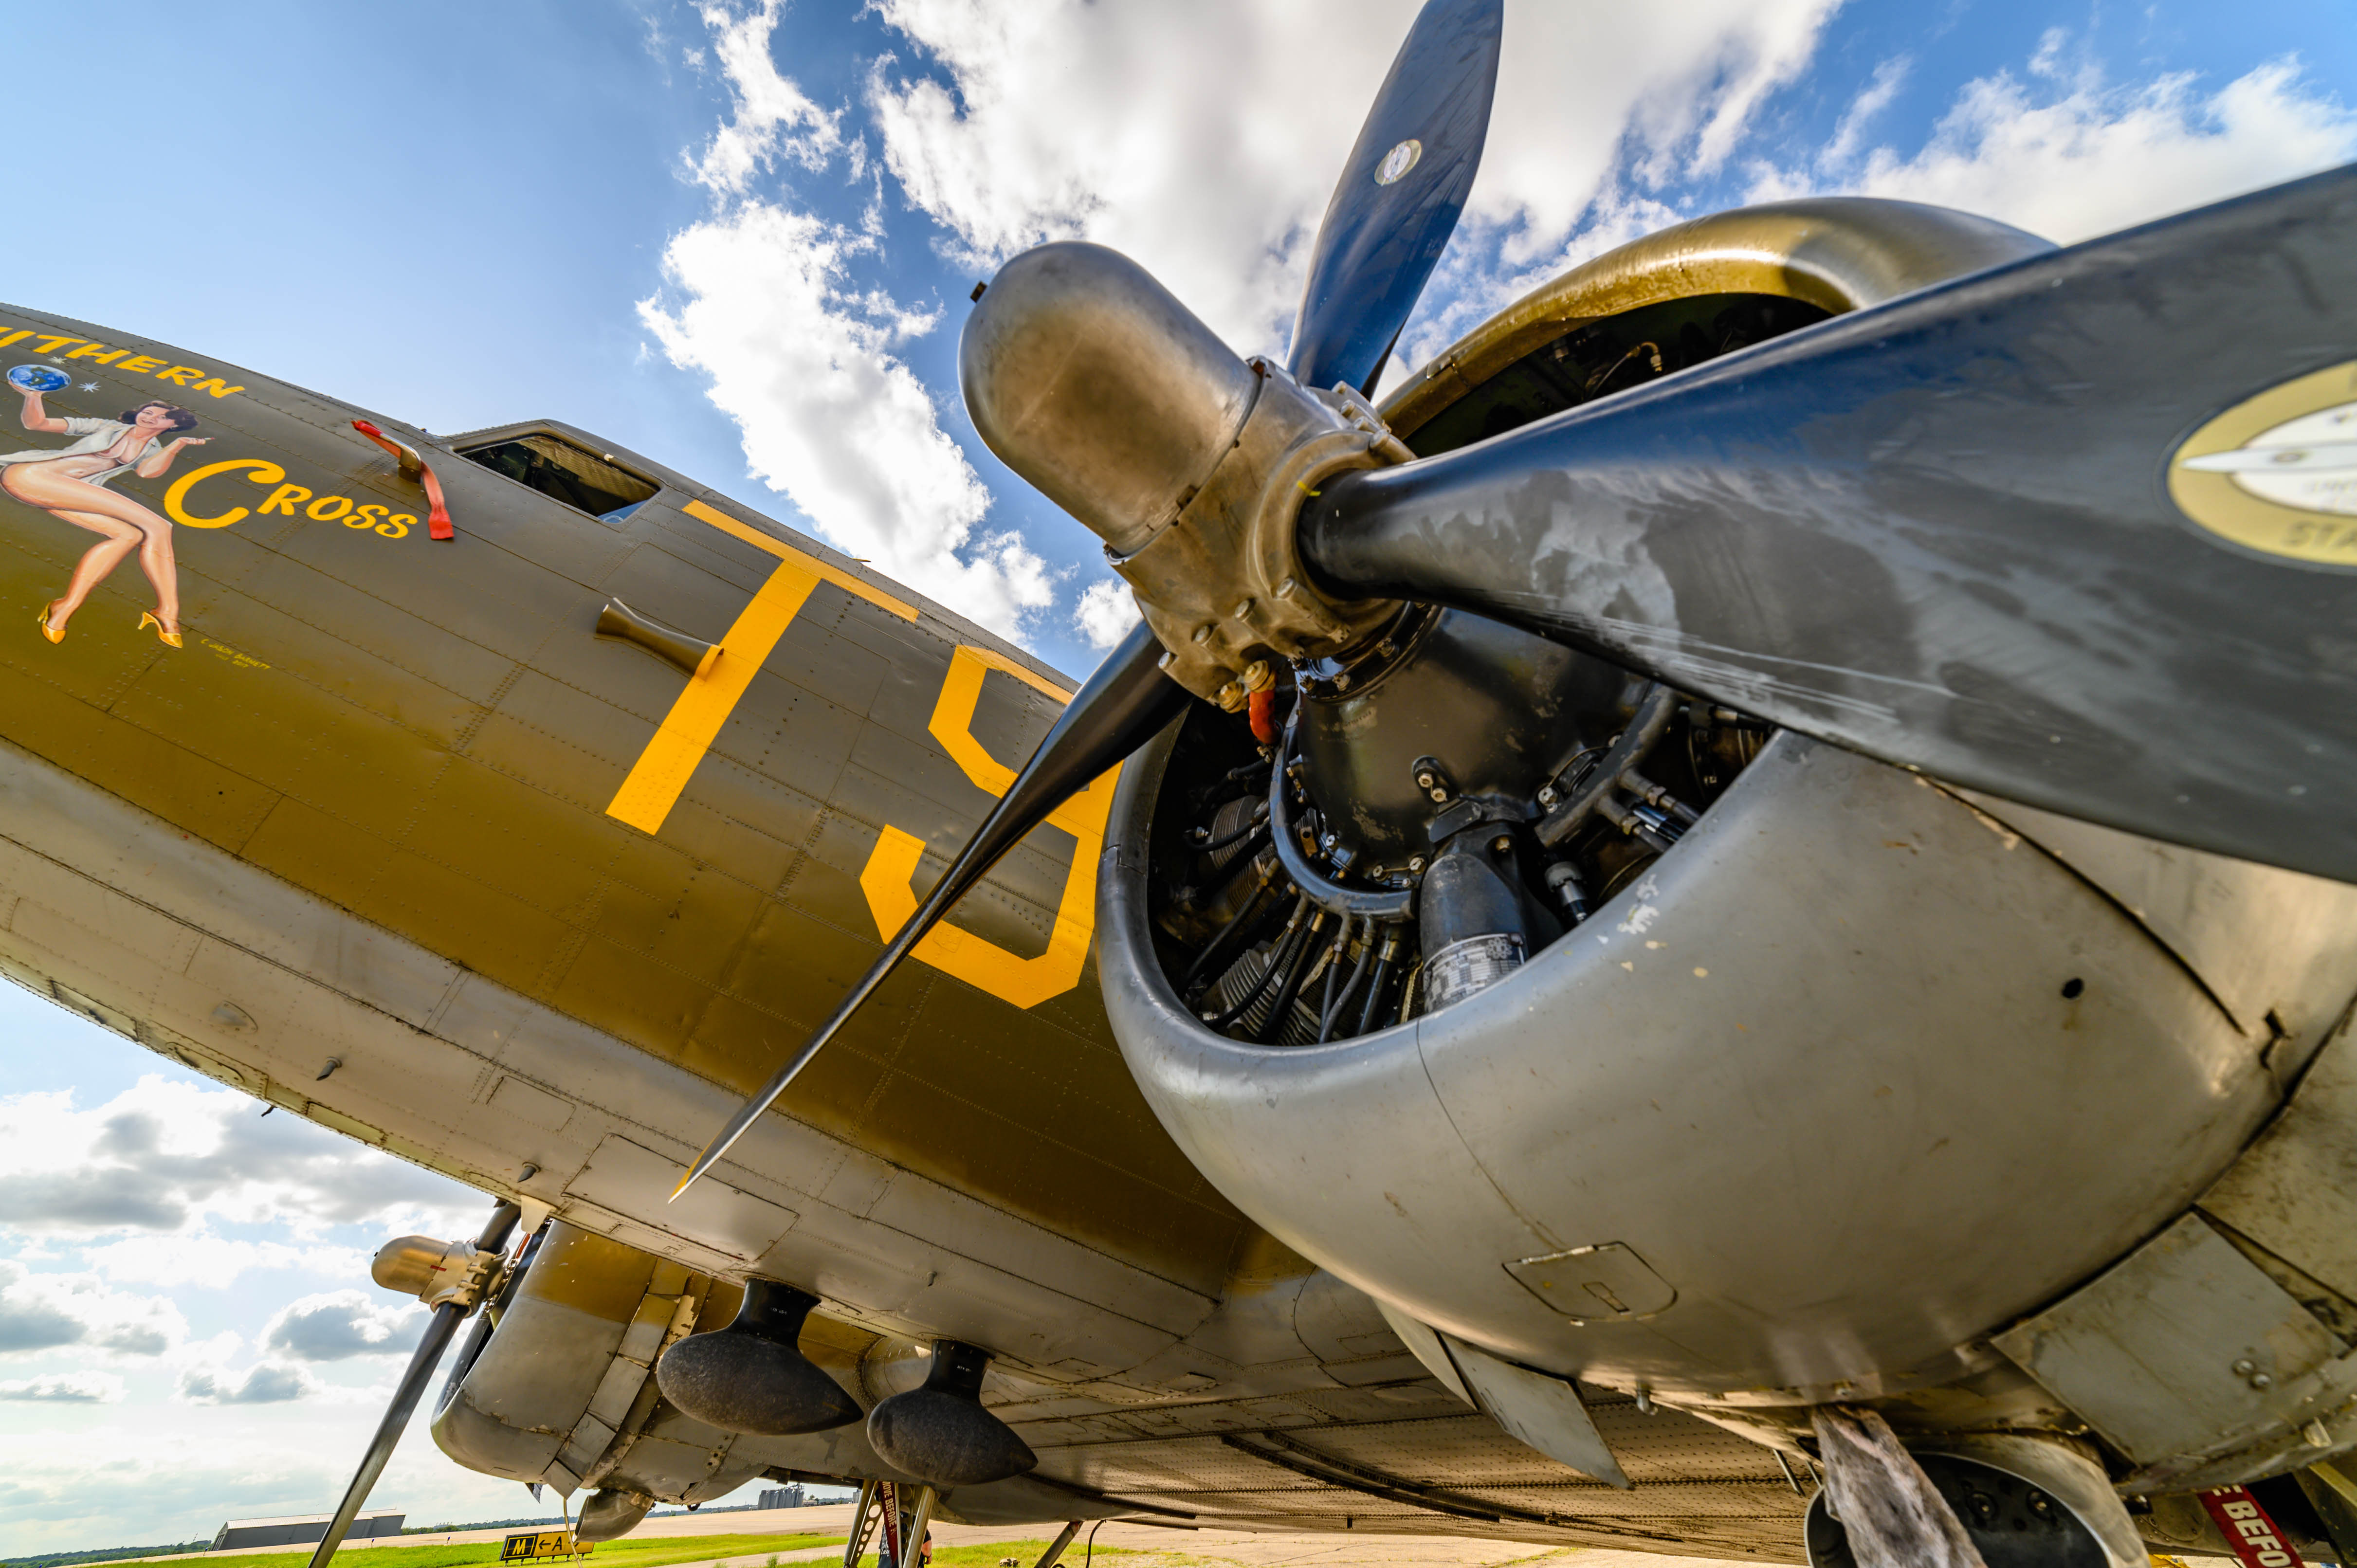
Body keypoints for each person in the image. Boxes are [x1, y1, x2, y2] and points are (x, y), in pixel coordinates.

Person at [0, 384, 208, 646]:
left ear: (173, 425)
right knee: (159, 526)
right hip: (35, 476)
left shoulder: (152, 448)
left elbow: (147, 473)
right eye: (148, 411)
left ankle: (65, 606)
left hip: (64, 492)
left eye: (162, 417)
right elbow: (37, 423)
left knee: (128, 535)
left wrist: (177, 445)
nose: (151, 418)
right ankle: (167, 612)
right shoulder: (106, 426)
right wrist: (33, 396)